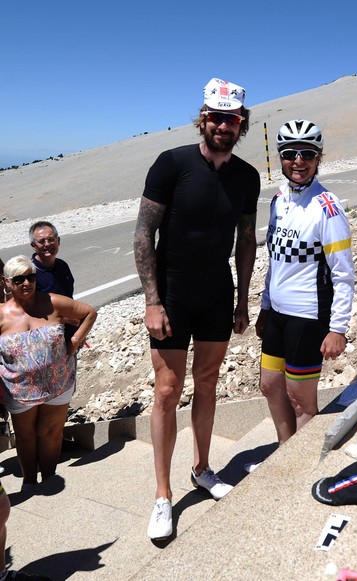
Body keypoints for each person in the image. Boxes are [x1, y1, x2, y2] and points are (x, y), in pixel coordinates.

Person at [133, 78, 259, 541]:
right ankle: (163, 495)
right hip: (173, 293)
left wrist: (243, 299)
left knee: (207, 384)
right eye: (216, 117)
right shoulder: (171, 164)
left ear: (241, 125)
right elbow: (144, 233)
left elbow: (246, 239)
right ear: (203, 118)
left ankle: (202, 469)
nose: (224, 125)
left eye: (233, 119)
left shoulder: (248, 176)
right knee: (167, 391)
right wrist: (152, 299)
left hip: (216, 293)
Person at [255, 120, 354, 448]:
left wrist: (337, 328)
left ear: (318, 158)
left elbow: (343, 275)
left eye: (307, 154)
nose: (298, 161)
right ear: (280, 157)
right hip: (279, 315)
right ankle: (286, 453)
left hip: (308, 317)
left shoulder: (327, 208)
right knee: (269, 385)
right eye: (290, 154)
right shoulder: (279, 199)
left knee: (301, 400)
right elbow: (274, 260)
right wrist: (265, 307)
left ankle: (302, 468)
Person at [0, 256, 97, 488]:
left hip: (59, 383)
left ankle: (49, 478)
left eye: (30, 277)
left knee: (51, 432)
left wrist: (74, 341)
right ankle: (30, 482)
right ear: (6, 282)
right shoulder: (1, 314)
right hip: (19, 388)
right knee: (25, 436)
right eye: (19, 278)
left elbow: (89, 313)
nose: (26, 283)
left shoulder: (53, 302)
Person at [29, 221, 74, 298]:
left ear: (58, 241)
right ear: (33, 246)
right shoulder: (30, 272)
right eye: (41, 241)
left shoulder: (62, 265)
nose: (47, 244)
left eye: (51, 239)